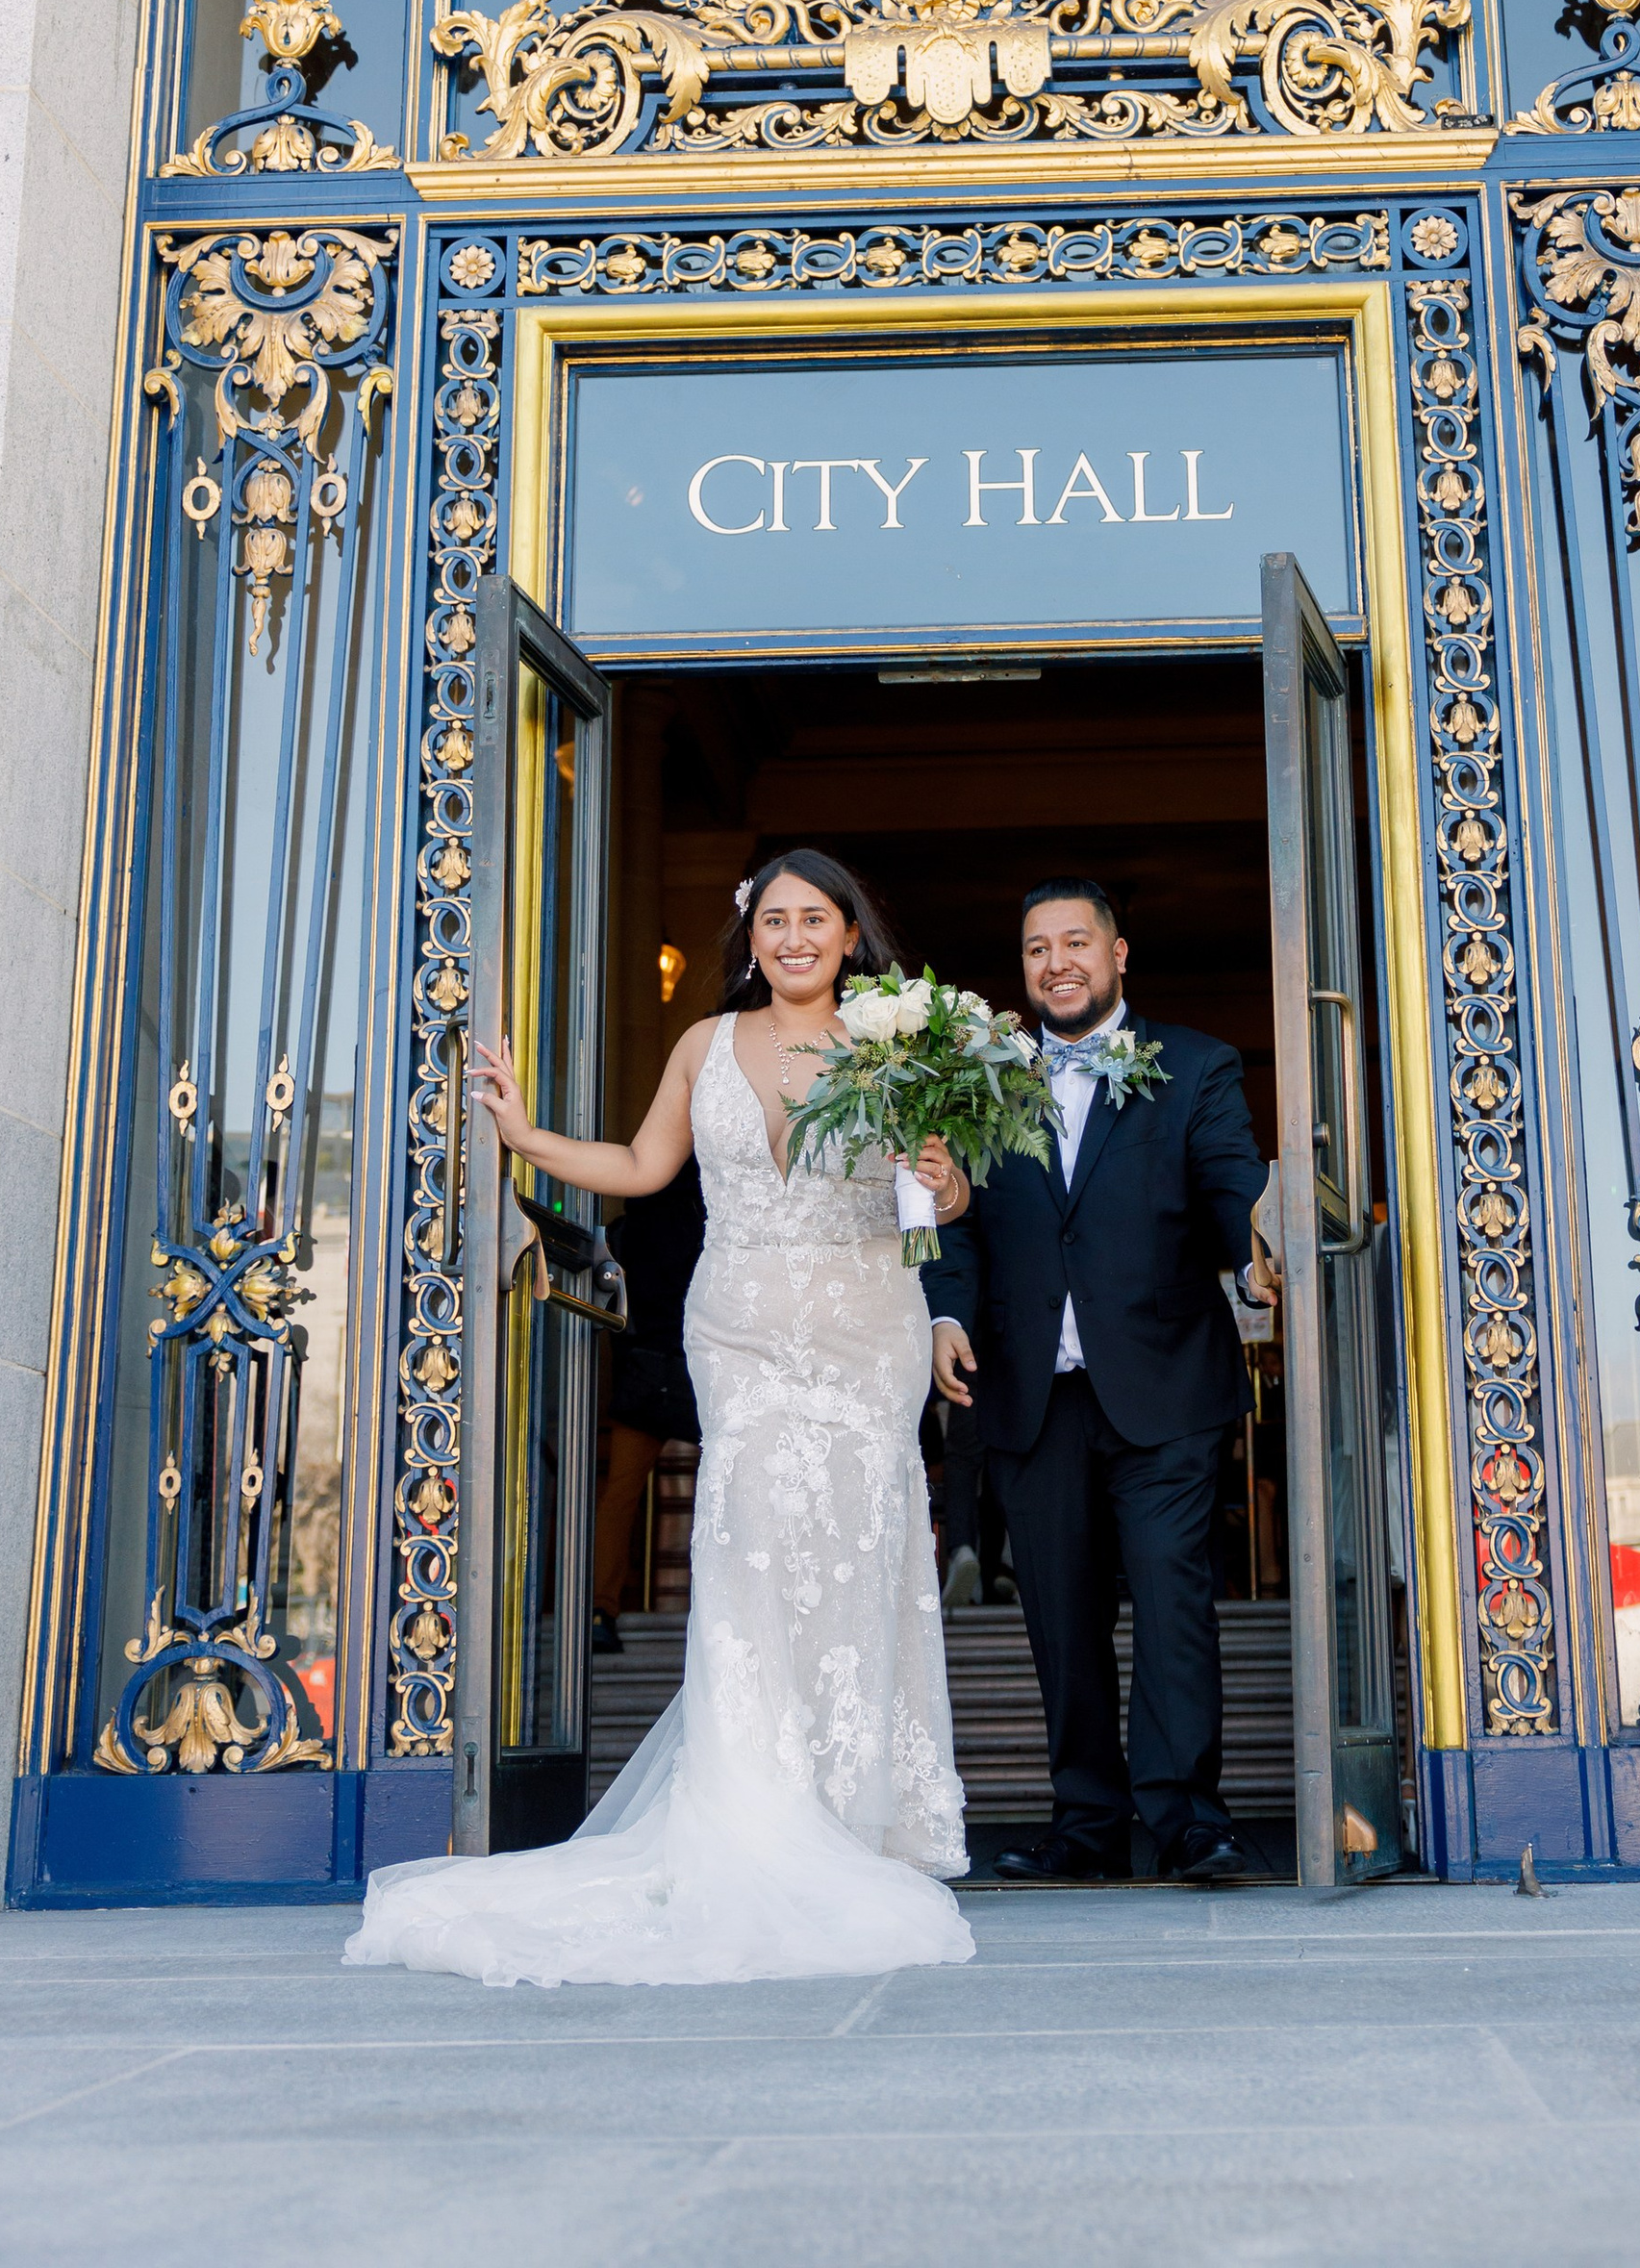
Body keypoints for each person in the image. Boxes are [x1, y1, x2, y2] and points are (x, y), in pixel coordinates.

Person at [345, 850, 973, 1987]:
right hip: (738, 1330)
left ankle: (863, 1816)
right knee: (747, 1559)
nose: (793, 938)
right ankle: (751, 1808)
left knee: (858, 1556)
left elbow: (934, 1197)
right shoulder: (703, 1047)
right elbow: (641, 1165)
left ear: (847, 933)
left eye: (814, 920)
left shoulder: (899, 1043)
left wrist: (943, 1173)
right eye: (774, 920)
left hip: (865, 1326)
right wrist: (527, 1137)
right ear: (751, 937)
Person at [928, 877, 1280, 1884]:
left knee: (1173, 1607)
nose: (1057, 963)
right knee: (1060, 1618)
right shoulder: (975, 1083)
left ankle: (1188, 1823)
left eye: (1075, 942)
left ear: (1118, 954)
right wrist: (944, 1314)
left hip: (1165, 1388)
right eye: (1037, 948)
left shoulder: (1197, 1067)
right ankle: (1084, 1826)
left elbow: (1226, 1184)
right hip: (1030, 1397)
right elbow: (948, 1218)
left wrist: (1257, 1232)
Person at [590, 1159, 706, 1650]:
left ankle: (599, 1608)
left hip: (644, 1372)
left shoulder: (626, 1231)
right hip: (703, 1373)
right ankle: (722, 1613)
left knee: (620, 1495)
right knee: (729, 1490)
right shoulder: (710, 1221)